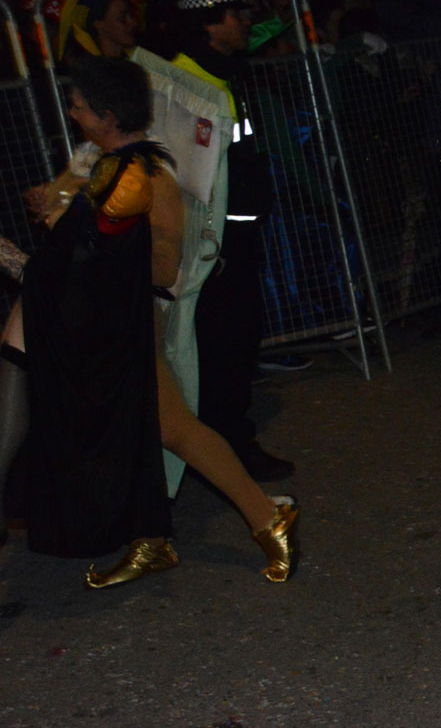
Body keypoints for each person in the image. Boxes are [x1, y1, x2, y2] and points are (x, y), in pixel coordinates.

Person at [0, 57, 296, 587]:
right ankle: (150, 539)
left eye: (79, 106)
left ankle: (266, 516)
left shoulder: (150, 174)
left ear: (108, 115)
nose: (71, 113)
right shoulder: (96, 159)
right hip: (84, 317)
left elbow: (163, 267)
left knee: (171, 427)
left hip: (129, 321)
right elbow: (71, 222)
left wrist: (101, 237)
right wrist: (57, 208)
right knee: (128, 429)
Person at [169, 0, 295, 481]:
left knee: (232, 343)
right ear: (208, 23)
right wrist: (206, 242)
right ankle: (229, 448)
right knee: (225, 346)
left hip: (232, 236)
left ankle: (218, 442)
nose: (246, 25)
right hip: (214, 244)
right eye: (235, 16)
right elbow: (186, 177)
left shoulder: (218, 71)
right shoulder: (189, 83)